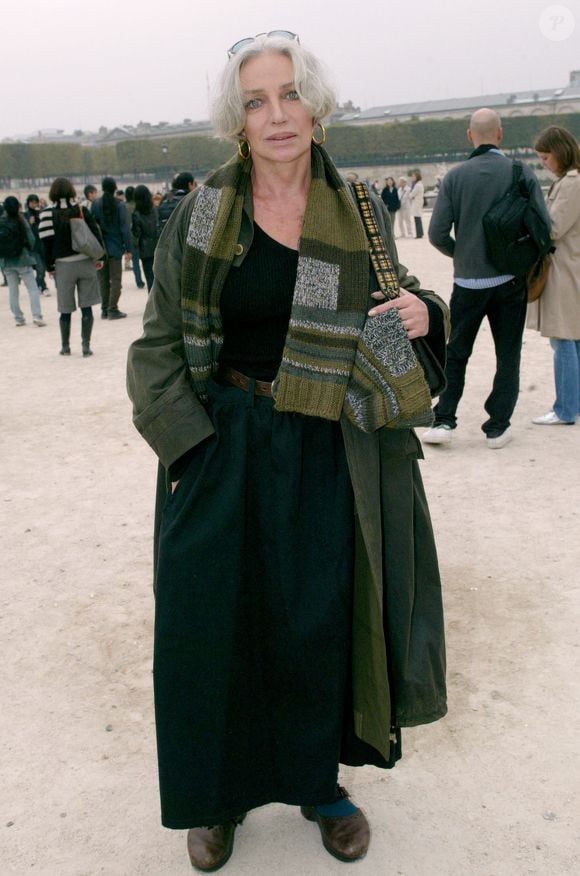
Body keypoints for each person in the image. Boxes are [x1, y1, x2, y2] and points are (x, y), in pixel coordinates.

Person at [127, 32, 447, 873]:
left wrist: (425, 313)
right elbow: (158, 348)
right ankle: (218, 794)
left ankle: (319, 784)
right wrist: (189, 448)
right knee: (211, 627)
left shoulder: (361, 212)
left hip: (324, 443)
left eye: (291, 95)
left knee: (317, 620)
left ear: (317, 106)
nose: (277, 115)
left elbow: (395, 303)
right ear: (237, 120)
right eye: (258, 100)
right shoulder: (196, 217)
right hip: (223, 440)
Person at [424, 108, 550, 449]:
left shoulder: (454, 177)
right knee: (507, 354)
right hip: (509, 281)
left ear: (469, 136)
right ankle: (497, 426)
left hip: (467, 282)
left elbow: (436, 234)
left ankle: (445, 418)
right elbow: (543, 226)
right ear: (500, 134)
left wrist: (461, 253)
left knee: (456, 352)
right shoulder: (519, 171)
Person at [527, 125, 580, 426]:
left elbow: (555, 228)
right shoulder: (571, 180)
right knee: (573, 340)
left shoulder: (571, 183)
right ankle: (573, 404)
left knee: (563, 340)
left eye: (546, 157)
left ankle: (565, 409)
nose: (544, 163)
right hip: (571, 267)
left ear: (559, 153)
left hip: (564, 270)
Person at [38, 177, 104, 356]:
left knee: (65, 308)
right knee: (87, 306)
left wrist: (49, 267)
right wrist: (100, 257)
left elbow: (45, 244)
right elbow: (95, 232)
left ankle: (65, 346)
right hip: (84, 261)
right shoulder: (81, 209)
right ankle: (86, 346)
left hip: (63, 265)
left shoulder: (46, 214)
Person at [0, 196, 46, 327]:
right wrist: (30, 251)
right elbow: (31, 238)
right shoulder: (21, 220)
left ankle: (18, 318)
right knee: (32, 288)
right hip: (23, 258)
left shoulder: (0, 221)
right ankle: (36, 316)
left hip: (6, 261)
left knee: (13, 291)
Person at [92, 176, 132, 319]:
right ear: (115, 188)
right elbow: (124, 229)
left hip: (100, 249)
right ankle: (112, 308)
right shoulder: (120, 205)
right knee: (115, 280)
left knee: (102, 280)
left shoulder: (96, 204)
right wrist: (128, 248)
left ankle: (104, 308)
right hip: (115, 247)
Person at [131, 184, 159, 291]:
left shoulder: (136, 214)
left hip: (145, 250)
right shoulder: (155, 210)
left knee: (150, 279)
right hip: (157, 246)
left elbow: (136, 233)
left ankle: (152, 304)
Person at [24, 194, 50, 295]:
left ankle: (38, 285)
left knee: (43, 267)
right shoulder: (25, 215)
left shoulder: (40, 213)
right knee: (40, 268)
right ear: (28, 203)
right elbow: (25, 232)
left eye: (36, 202)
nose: (34, 204)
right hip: (33, 247)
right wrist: (29, 224)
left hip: (42, 244)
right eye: (32, 202)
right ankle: (43, 287)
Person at [124, 186, 146, 289]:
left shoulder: (123, 207)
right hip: (140, 235)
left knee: (135, 261)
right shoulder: (139, 206)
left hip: (129, 237)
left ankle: (139, 281)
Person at [408, 170, 424, 238]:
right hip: (418, 202)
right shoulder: (419, 184)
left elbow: (412, 194)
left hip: (416, 202)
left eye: (414, 176)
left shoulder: (417, 185)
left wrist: (409, 195)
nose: (412, 177)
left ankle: (419, 234)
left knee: (417, 219)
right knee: (418, 218)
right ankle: (420, 233)